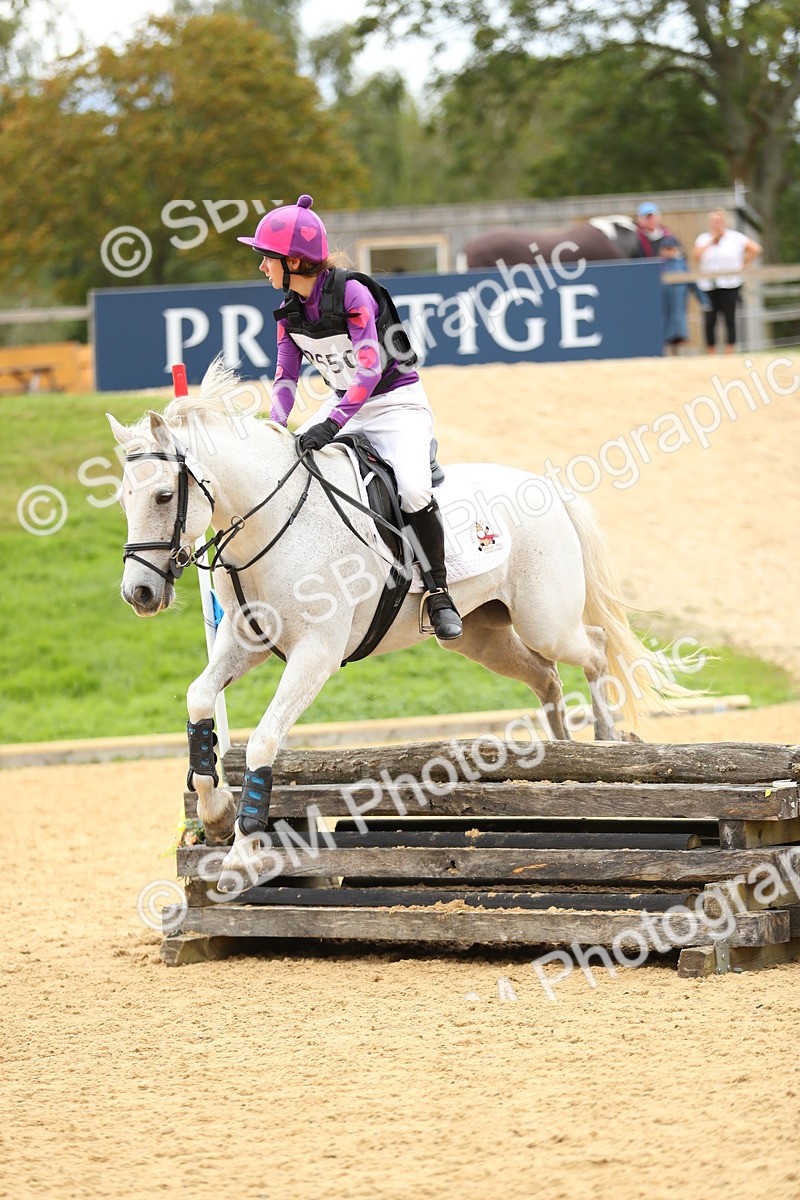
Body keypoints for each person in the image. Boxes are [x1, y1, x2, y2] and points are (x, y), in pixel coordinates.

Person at [237, 194, 462, 640]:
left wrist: (332, 424)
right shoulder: (288, 311)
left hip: (396, 404)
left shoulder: (354, 293)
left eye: (267, 258)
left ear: (294, 262)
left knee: (413, 489)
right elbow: (285, 377)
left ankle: (439, 592)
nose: (262, 266)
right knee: (287, 468)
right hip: (344, 403)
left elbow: (371, 370)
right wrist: (276, 426)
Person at [692, 210, 763, 353]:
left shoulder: (735, 237)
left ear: (724, 222)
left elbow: (756, 249)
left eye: (719, 221)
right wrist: (712, 240)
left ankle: (730, 352)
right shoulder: (703, 238)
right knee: (709, 320)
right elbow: (696, 256)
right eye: (714, 222)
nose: (717, 224)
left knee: (729, 319)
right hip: (708, 286)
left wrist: (744, 264)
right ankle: (711, 353)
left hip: (730, 284)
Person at [659, 235, 710, 354]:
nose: (668, 252)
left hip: (679, 302)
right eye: (665, 249)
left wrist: (703, 300)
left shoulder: (682, 265)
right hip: (664, 304)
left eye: (670, 248)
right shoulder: (660, 265)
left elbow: (693, 284)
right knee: (665, 328)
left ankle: (681, 352)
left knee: (680, 327)